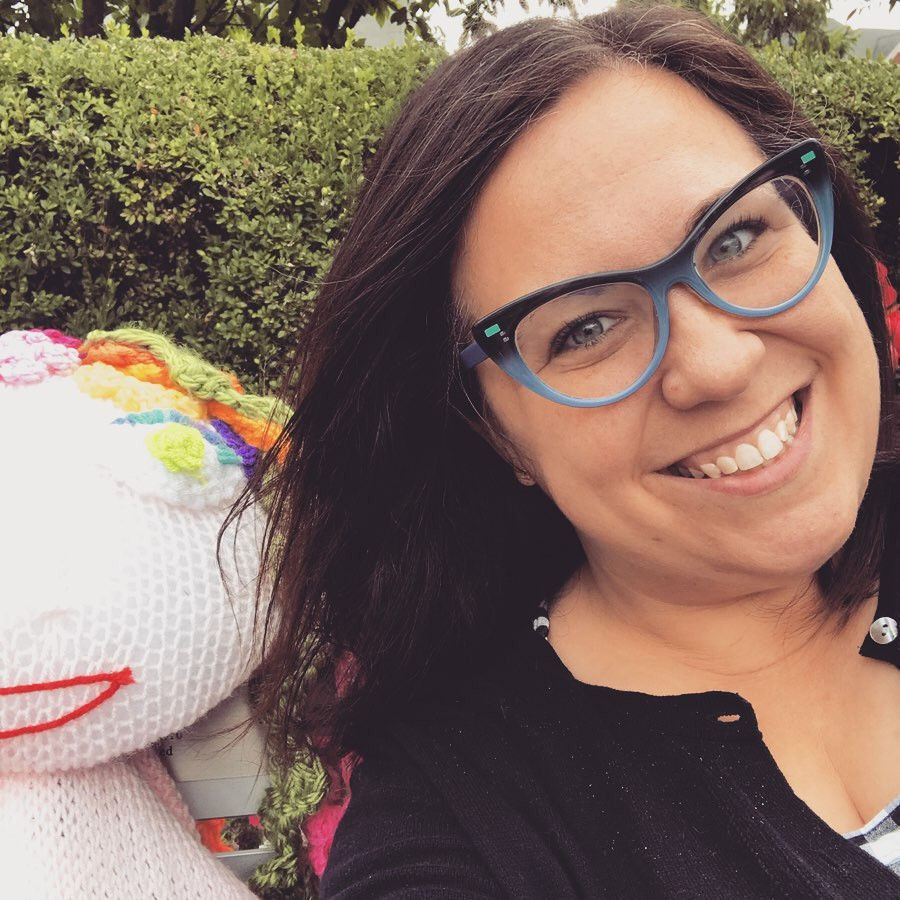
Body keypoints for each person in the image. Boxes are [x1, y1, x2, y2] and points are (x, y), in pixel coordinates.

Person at [247, 4, 900, 896]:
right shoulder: (462, 823)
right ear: (490, 427)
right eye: (587, 327)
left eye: (739, 237)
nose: (714, 364)